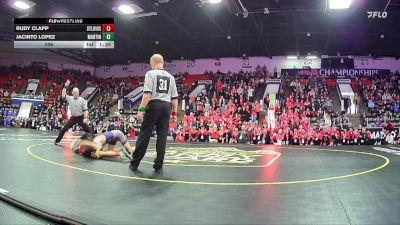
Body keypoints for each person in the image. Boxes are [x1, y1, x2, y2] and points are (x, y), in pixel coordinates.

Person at [129, 54, 178, 173]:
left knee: (145, 134)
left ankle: (135, 163)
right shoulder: (170, 77)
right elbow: (175, 98)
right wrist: (175, 114)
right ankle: (158, 166)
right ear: (162, 63)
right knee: (162, 137)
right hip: (166, 107)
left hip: (154, 105)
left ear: (152, 63)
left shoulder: (150, 74)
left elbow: (147, 93)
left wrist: (141, 109)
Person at [55, 79, 93, 145]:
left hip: (81, 117)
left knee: (89, 130)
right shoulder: (70, 98)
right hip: (73, 118)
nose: (75, 93)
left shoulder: (82, 100)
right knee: (64, 129)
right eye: (74, 92)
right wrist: (65, 86)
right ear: (72, 93)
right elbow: (63, 95)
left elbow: (86, 110)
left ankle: (94, 141)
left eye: (77, 92)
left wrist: (85, 117)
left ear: (78, 93)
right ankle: (57, 141)